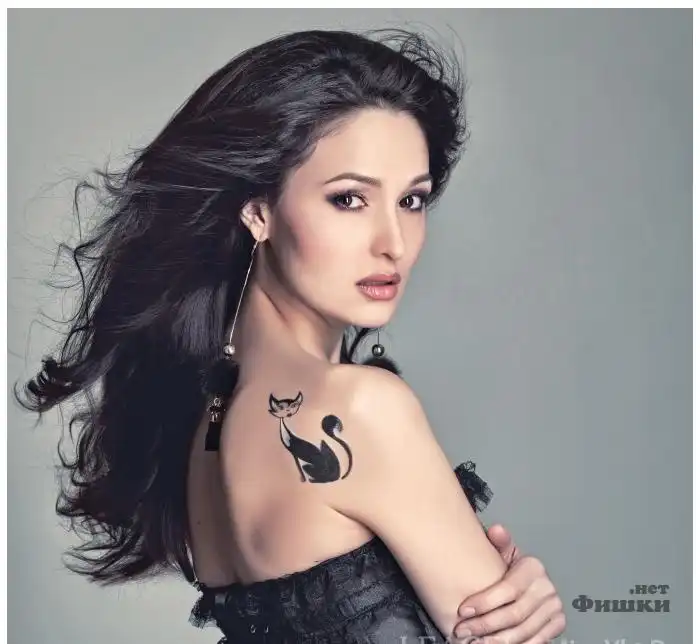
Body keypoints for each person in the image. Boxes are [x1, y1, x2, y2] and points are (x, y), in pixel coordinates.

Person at [16, 28, 565, 643]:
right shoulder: (360, 407)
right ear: (259, 211)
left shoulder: (208, 426)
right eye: (349, 199)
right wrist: (532, 615)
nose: (394, 243)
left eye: (412, 201)